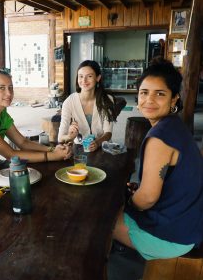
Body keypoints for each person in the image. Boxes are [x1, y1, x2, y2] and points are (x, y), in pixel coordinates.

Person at [113, 58, 203, 260]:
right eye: (144, 93)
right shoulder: (175, 126)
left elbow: (147, 198)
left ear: (174, 100)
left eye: (160, 94)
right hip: (190, 223)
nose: (149, 100)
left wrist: (129, 205)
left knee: (99, 221)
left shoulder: (159, 138)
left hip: (173, 237)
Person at [0, 68, 72, 187]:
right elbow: (9, 154)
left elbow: (23, 142)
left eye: (10, 87)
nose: (9, 93)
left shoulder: (2, 113)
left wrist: (52, 149)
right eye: (1, 88)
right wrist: (53, 156)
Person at [58, 60, 117, 151]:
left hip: (102, 148)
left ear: (98, 78)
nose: (84, 80)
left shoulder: (107, 100)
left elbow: (108, 133)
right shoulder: (69, 102)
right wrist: (70, 136)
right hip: (80, 148)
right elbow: (60, 138)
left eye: (89, 76)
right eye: (81, 76)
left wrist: (97, 143)